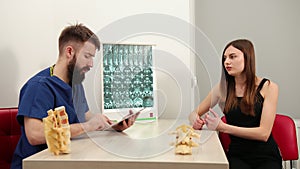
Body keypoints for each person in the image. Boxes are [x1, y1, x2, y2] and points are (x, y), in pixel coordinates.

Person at [11, 23, 137, 169]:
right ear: (69, 52)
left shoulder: (75, 85)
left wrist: (112, 127)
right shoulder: (39, 86)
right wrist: (88, 126)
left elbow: (87, 116)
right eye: (87, 56)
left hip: (67, 161)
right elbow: (34, 135)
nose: (91, 64)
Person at [189, 39, 282, 169]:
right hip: (237, 156)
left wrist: (222, 127)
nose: (226, 62)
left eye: (232, 57)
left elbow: (263, 134)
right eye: (225, 58)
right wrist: (195, 120)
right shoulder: (222, 88)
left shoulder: (269, 87)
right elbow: (193, 113)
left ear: (247, 58)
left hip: (266, 156)